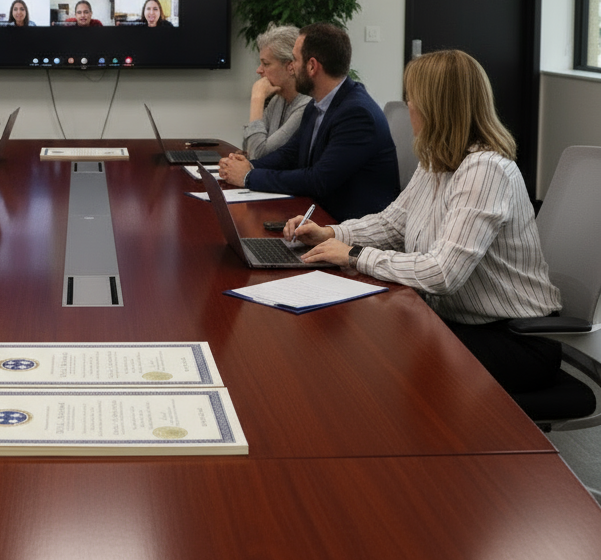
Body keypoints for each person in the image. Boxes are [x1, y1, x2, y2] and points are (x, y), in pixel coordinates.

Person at [287, 49, 563, 396]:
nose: (408, 107)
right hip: (459, 321)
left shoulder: (486, 170)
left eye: (412, 98)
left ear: (436, 107)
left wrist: (354, 254)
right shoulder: (437, 160)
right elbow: (393, 224)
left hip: (516, 338)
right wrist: (331, 233)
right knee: (370, 347)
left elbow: (443, 273)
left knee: (388, 365)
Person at [219, 23, 399, 221]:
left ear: (312, 66)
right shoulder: (317, 104)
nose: (292, 67)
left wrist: (248, 177)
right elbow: (290, 154)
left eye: (295, 60)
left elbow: (318, 180)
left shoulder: (357, 113)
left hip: (350, 229)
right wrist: (248, 166)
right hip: (318, 216)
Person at [242, 24, 311, 158]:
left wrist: (257, 99)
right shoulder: (278, 99)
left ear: (291, 67)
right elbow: (248, 148)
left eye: (266, 64)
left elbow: (259, 155)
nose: (259, 70)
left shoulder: (307, 106)